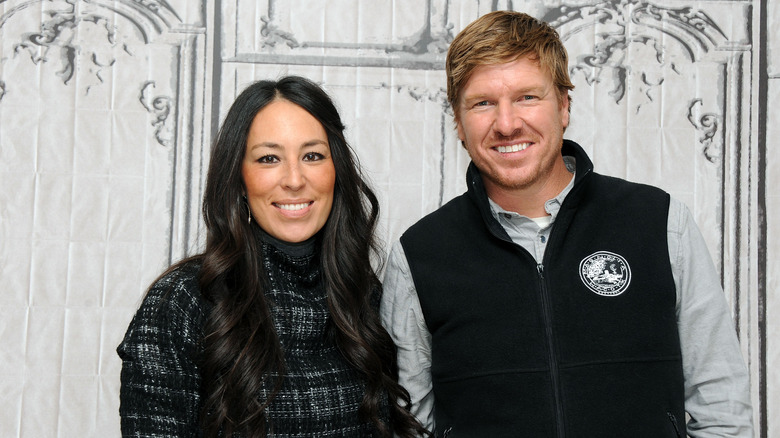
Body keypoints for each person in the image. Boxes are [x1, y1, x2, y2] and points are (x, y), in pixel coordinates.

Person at [380, 10, 753, 437]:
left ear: (564, 106)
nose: (506, 124)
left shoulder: (659, 222)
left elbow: (722, 406)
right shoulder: (420, 255)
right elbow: (409, 425)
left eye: (527, 97)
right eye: (483, 103)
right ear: (458, 124)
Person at [117, 76, 429, 437]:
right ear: (239, 177)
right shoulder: (185, 300)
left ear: (336, 170)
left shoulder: (364, 295)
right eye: (269, 158)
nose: (294, 179)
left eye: (312, 156)